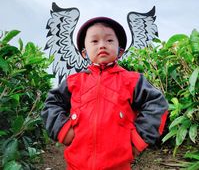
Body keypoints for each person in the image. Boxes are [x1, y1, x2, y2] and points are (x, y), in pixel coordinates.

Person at [41, 17, 168, 170]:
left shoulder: (132, 80)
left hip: (118, 165)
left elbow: (157, 104)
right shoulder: (74, 81)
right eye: (94, 41)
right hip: (76, 165)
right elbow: (52, 103)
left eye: (109, 40)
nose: (102, 45)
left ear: (120, 51)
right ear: (84, 52)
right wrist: (63, 130)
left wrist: (137, 140)